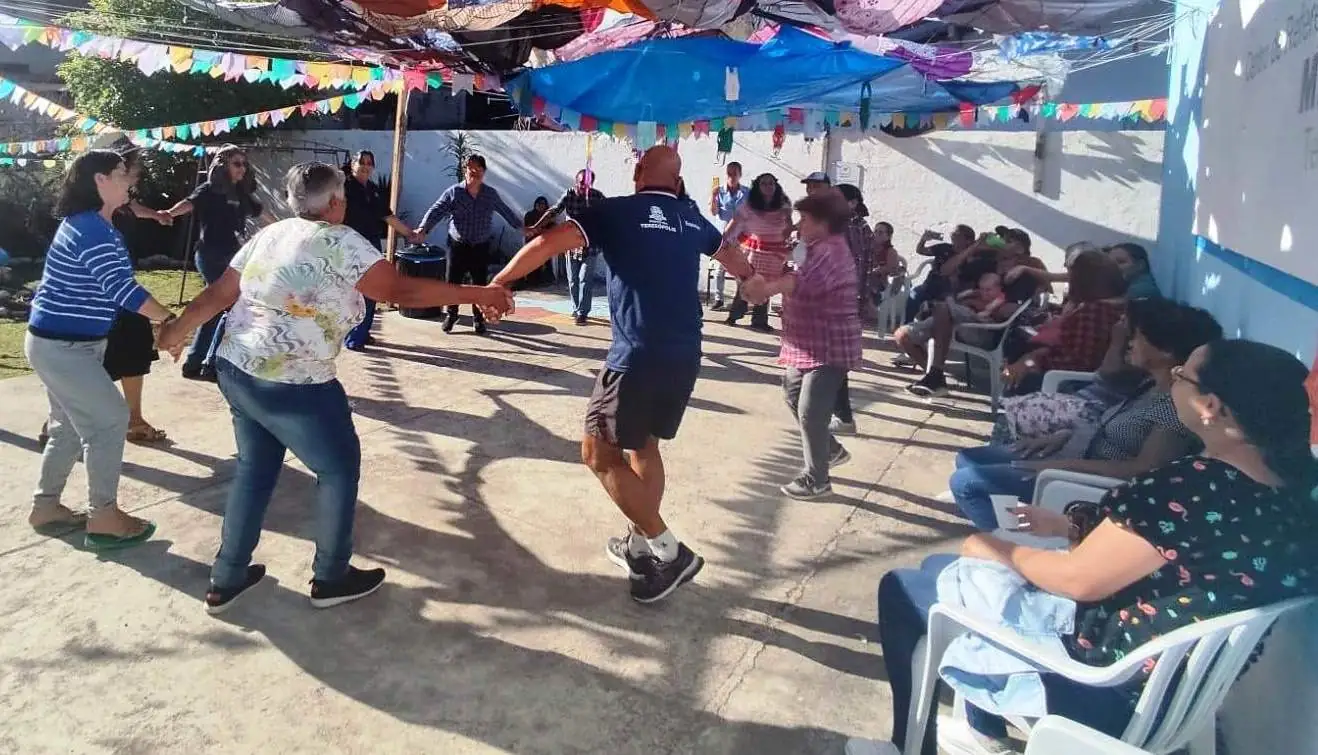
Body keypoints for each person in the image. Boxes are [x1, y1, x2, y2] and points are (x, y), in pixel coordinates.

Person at [847, 337, 1318, 755]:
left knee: (907, 588)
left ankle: (907, 744)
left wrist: (994, 547)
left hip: (1103, 683)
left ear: (1210, 406)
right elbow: (1181, 552)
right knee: (943, 567)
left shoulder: (1194, 487)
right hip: (1179, 688)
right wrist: (1068, 525)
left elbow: (1079, 581)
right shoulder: (1292, 492)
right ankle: (981, 729)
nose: (1173, 382)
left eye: (1182, 375)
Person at [156, 162, 515, 614]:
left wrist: (179, 328)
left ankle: (227, 577)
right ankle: (331, 576)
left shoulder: (270, 235)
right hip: (297, 382)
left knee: (255, 469)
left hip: (238, 370)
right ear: (333, 203)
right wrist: (479, 294)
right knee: (338, 469)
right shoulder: (342, 242)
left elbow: (222, 293)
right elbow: (400, 292)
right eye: (342, 193)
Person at [484, 145, 761, 604]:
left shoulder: (616, 211)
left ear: (637, 173)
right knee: (643, 444)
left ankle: (669, 550)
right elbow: (738, 264)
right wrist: (766, 278)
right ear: (676, 182)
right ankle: (639, 544)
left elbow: (548, 243)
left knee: (597, 453)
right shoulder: (692, 218)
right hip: (685, 353)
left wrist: (500, 281)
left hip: (635, 354)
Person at [950, 298, 1221, 531]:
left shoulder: (1175, 407)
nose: (1130, 342)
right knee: (968, 459)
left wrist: (1056, 467)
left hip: (1083, 481)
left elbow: (1142, 471)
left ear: (1165, 351)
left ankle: (1013, 549)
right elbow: (1110, 410)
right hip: (1076, 453)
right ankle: (1011, 525)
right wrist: (1064, 436)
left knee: (967, 483)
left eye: (1137, 336)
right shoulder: (1151, 384)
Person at [25, 150, 179, 548]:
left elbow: (111, 289)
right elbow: (122, 289)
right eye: (123, 173)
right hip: (64, 348)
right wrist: (169, 320)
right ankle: (104, 516)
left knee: (68, 428)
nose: (131, 180)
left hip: (63, 345)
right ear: (100, 179)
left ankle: (46, 507)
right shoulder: (90, 229)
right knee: (110, 420)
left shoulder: (94, 224)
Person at [747, 192, 862, 500]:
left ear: (823, 223)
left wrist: (765, 289)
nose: (799, 225)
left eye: (805, 219)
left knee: (811, 411)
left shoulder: (832, 251)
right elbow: (792, 268)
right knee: (792, 393)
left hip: (829, 345)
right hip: (807, 343)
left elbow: (799, 283)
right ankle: (830, 449)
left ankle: (817, 479)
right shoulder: (811, 246)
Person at [165, 145, 272, 382]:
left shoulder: (240, 193)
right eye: (237, 163)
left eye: (244, 164)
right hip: (210, 255)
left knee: (214, 310)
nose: (242, 168)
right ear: (223, 165)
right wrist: (168, 214)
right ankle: (212, 364)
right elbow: (187, 203)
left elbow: (261, 212)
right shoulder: (209, 190)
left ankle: (193, 364)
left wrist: (285, 228)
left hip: (232, 257)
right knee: (232, 306)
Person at [899, 228, 1049, 397]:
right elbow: (945, 271)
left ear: (1021, 249)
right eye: (1002, 238)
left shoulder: (1025, 271)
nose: (1001, 241)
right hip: (959, 318)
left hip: (987, 327)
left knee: (942, 307)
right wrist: (976, 246)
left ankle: (935, 377)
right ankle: (935, 376)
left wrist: (978, 304)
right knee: (902, 335)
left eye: (1008, 240)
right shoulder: (989, 262)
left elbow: (1009, 311)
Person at [412, 154, 523, 334]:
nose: (475, 172)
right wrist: (423, 228)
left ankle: (478, 319)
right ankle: (452, 314)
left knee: (479, 285)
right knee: (452, 283)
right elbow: (436, 210)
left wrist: (522, 228)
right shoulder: (454, 193)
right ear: (465, 171)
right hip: (458, 245)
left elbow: (505, 211)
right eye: (471, 168)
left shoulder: (490, 194)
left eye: (479, 169)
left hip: (480, 246)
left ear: (484, 172)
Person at [1000, 250, 1128, 396]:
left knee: (1020, 375)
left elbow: (1079, 363)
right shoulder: (1110, 306)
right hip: (1065, 371)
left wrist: (1032, 361)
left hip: (1071, 383)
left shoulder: (1095, 312)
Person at [341, 150, 420, 352]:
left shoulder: (373, 190)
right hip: (350, 246)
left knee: (372, 290)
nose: (366, 166)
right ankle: (353, 337)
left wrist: (410, 234)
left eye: (370, 163)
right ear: (352, 164)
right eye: (362, 162)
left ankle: (363, 331)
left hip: (371, 245)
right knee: (354, 292)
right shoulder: (343, 187)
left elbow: (387, 217)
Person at [721, 172, 793, 332]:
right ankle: (734, 316)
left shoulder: (783, 206)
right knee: (747, 282)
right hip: (753, 251)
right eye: (764, 184)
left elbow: (788, 226)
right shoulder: (749, 205)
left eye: (771, 183)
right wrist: (723, 239)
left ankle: (759, 321)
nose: (768, 187)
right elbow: (734, 223)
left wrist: (786, 242)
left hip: (773, 254)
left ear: (776, 186)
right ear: (757, 187)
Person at [535, 169, 606, 326]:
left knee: (584, 279)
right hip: (571, 245)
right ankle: (576, 308)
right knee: (573, 280)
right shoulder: (569, 195)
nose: (584, 188)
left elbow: (608, 214)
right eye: (581, 184)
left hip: (591, 245)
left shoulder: (597, 197)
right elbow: (554, 211)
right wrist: (537, 225)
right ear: (576, 182)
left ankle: (583, 313)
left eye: (588, 184)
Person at [902, 224, 975, 328]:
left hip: (949, 289)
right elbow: (921, 250)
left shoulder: (970, 257)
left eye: (957, 234)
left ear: (968, 240)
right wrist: (923, 239)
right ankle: (907, 326)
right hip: (930, 284)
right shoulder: (944, 247)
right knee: (914, 295)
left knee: (941, 305)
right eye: (952, 233)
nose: (952, 236)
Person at [708, 161, 749, 310]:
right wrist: (713, 197)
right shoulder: (719, 191)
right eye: (729, 173)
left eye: (735, 173)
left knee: (740, 269)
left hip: (740, 236)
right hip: (723, 235)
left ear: (740, 175)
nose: (732, 177)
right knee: (720, 268)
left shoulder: (747, 193)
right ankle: (718, 298)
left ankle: (741, 301)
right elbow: (713, 212)